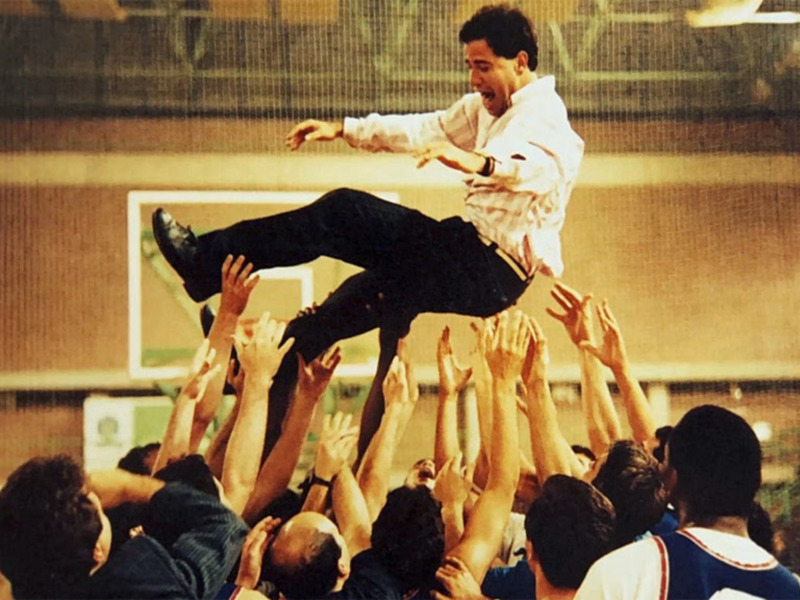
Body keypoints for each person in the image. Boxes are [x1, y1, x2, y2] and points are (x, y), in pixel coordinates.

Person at [151, 4, 584, 454]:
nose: (474, 80)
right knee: (351, 306)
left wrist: (478, 161)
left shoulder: (544, 115)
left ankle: (203, 259)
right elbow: (426, 127)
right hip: (472, 262)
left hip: (485, 265)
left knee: (343, 212)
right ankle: (255, 366)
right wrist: (346, 129)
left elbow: (535, 169)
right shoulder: (485, 108)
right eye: (469, 67)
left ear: (520, 61)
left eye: (483, 67)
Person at [576, 405, 800, 600]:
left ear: (671, 479)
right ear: (756, 481)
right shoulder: (792, 588)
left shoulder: (623, 572)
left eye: (663, 461)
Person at [0, 455, 248, 599]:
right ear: (97, 550)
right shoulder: (141, 579)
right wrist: (131, 486)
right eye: (99, 508)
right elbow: (223, 524)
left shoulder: (28, 580)